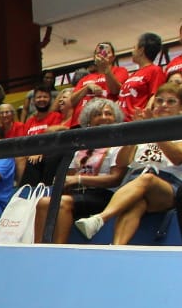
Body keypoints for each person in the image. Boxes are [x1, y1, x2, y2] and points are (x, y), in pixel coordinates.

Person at [75, 83, 182, 244]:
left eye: (171, 101)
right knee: (136, 203)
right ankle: (116, 248)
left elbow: (178, 157)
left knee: (147, 179)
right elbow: (123, 162)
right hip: (135, 183)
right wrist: (135, 133)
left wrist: (155, 130)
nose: (163, 105)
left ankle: (100, 218)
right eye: (159, 101)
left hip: (170, 186)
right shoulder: (144, 128)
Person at [32, 99, 127, 244]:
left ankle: (59, 250)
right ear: (89, 121)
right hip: (78, 194)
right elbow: (70, 177)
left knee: (62, 203)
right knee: (44, 203)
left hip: (105, 195)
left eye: (108, 113)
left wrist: (79, 179)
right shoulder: (81, 148)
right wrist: (63, 181)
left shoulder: (119, 146)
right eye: (97, 114)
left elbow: (116, 178)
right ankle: (39, 250)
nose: (103, 117)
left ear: (116, 119)